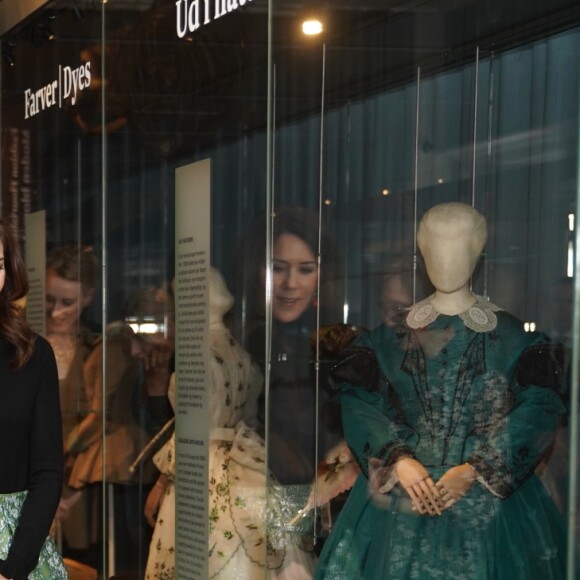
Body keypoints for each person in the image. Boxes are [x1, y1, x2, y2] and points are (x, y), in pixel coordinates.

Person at [315, 202, 568, 579]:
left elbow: (539, 408)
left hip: (491, 511)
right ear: (421, 247)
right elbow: (360, 404)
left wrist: (476, 469)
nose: (447, 258)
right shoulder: (387, 340)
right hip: (401, 500)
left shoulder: (514, 339)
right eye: (436, 244)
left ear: (479, 248)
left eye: (458, 245)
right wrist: (398, 460)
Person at [144, 268, 315, 579]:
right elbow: (249, 418)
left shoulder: (196, 355)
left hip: (201, 466)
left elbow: (189, 430)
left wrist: (160, 482)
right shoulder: (240, 354)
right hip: (243, 459)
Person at [237, 207, 344, 486]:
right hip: (252, 486)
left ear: (323, 275)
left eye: (305, 269)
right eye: (277, 268)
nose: (290, 284)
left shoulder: (335, 342)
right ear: (256, 269)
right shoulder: (243, 341)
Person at [0, 219, 67, 579]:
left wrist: (13, 568)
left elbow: (48, 468)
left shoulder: (33, 354)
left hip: (16, 548)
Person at [45, 244, 98, 553]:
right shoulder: (19, 343)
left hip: (76, 480)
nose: (56, 312)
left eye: (68, 302)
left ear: (88, 298)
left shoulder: (97, 349)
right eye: (50, 299)